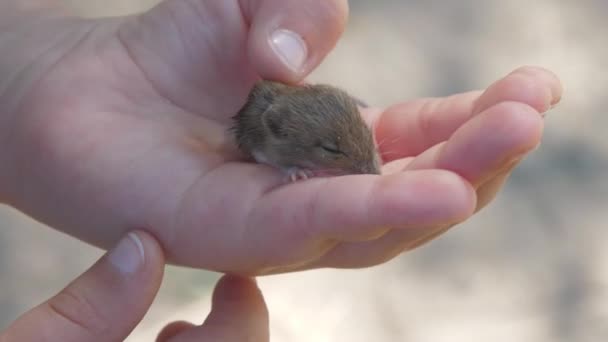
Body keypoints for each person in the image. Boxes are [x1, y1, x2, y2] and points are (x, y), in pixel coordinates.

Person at [0, 0, 562, 340]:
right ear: (290, 141)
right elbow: (262, 147)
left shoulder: (323, 119)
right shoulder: (271, 132)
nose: (362, 166)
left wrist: (29, 63)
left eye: (359, 145)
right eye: (335, 156)